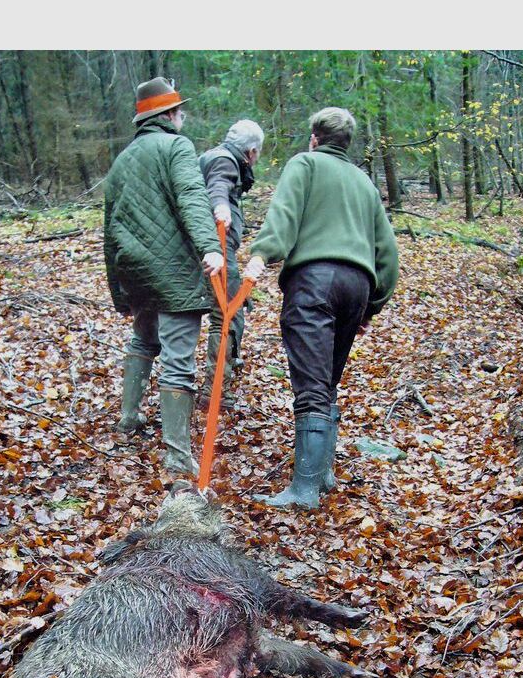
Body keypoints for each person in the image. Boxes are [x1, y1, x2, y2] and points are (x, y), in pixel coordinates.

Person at [244, 107, 399, 510]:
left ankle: (303, 491)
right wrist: (371, 306)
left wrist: (262, 255)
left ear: (315, 137)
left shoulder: (305, 165)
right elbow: (389, 257)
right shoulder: (364, 183)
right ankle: (323, 474)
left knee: (311, 386)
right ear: (346, 143)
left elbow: (284, 217)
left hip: (313, 283)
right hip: (357, 287)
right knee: (327, 381)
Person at [103, 77, 224, 475]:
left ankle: (129, 418)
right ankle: (176, 457)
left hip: (135, 269)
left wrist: (118, 289)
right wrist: (210, 246)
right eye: (179, 110)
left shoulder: (122, 159)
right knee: (177, 361)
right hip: (173, 272)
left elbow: (110, 226)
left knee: (143, 338)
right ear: (169, 115)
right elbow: (191, 195)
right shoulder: (177, 146)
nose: (182, 115)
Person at [197, 119, 264, 410]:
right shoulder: (225, 162)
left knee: (228, 311)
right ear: (251, 152)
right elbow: (218, 187)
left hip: (211, 250)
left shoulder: (214, 156)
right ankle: (215, 391)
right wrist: (221, 207)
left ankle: (222, 375)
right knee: (226, 315)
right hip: (217, 251)